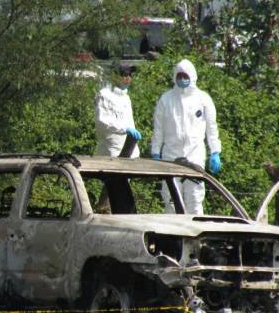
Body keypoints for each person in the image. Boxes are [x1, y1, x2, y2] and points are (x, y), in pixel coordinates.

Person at [151, 59, 221, 215]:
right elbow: (158, 129)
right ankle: (171, 230)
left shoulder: (203, 99)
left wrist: (215, 151)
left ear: (192, 76)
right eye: (179, 76)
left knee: (195, 199)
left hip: (194, 155)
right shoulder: (166, 99)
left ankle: (195, 230)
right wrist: (155, 152)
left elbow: (211, 128)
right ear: (174, 76)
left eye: (185, 76)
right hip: (170, 155)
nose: (182, 79)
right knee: (170, 200)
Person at [94, 64, 142, 157]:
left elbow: (130, 123)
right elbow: (102, 121)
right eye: (124, 75)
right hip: (111, 150)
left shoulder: (126, 98)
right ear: (115, 76)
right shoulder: (105, 94)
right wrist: (124, 129)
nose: (128, 78)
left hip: (130, 150)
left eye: (130, 75)